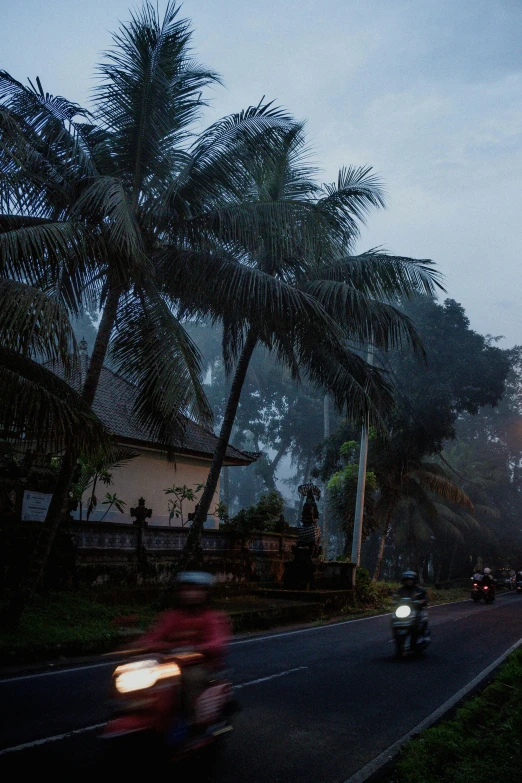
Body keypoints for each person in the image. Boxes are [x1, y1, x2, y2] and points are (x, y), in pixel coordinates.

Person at [136, 571, 231, 726]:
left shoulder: (212, 617)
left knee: (190, 679)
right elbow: (153, 635)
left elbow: (217, 643)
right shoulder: (172, 616)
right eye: (186, 589)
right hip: (169, 664)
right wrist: (139, 645)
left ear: (205, 593)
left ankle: (191, 721)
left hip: (201, 665)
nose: (190, 594)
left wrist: (196, 648)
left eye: (195, 590)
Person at [396, 570, 429, 641]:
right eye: (407, 580)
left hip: (417, 609)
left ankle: (423, 634)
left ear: (414, 580)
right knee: (394, 618)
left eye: (410, 580)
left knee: (422, 618)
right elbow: (396, 598)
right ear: (404, 580)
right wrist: (394, 601)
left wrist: (421, 601)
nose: (409, 581)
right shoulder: (400, 590)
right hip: (404, 610)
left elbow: (425, 598)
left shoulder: (419, 589)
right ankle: (396, 636)